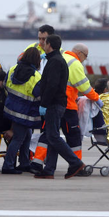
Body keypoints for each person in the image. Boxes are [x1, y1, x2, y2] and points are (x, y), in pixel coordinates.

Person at [31, 43, 101, 173]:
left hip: (51, 103)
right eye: (85, 57)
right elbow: (84, 87)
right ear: (80, 53)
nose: (85, 59)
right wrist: (97, 98)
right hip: (67, 105)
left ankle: (38, 163)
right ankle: (77, 165)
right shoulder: (75, 63)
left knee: (49, 134)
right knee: (73, 135)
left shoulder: (59, 57)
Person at [34, 34, 86, 179]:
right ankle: (49, 169)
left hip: (54, 104)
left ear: (49, 45)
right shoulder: (55, 60)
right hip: (56, 103)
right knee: (52, 137)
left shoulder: (55, 62)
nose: (43, 45)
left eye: (45, 43)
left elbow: (52, 85)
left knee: (53, 136)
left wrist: (44, 104)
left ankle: (75, 163)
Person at [2, 47, 42, 174]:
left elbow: (5, 84)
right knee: (18, 138)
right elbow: (38, 94)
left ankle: (24, 163)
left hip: (11, 109)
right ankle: (7, 166)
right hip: (25, 112)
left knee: (27, 134)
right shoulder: (36, 76)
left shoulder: (13, 69)